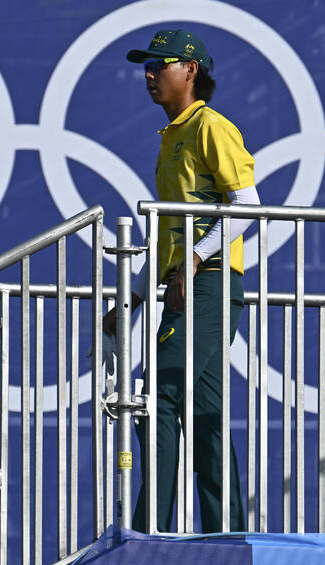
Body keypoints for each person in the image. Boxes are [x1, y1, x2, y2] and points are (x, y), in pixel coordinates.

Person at [104, 28, 258, 533]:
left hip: (208, 282)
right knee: (203, 412)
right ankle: (227, 533)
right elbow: (173, 240)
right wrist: (134, 295)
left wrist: (194, 259)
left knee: (160, 397)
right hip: (189, 281)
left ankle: (150, 531)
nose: (149, 74)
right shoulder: (172, 137)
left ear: (190, 70)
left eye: (160, 64)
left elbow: (250, 208)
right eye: (145, 66)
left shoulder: (210, 126)